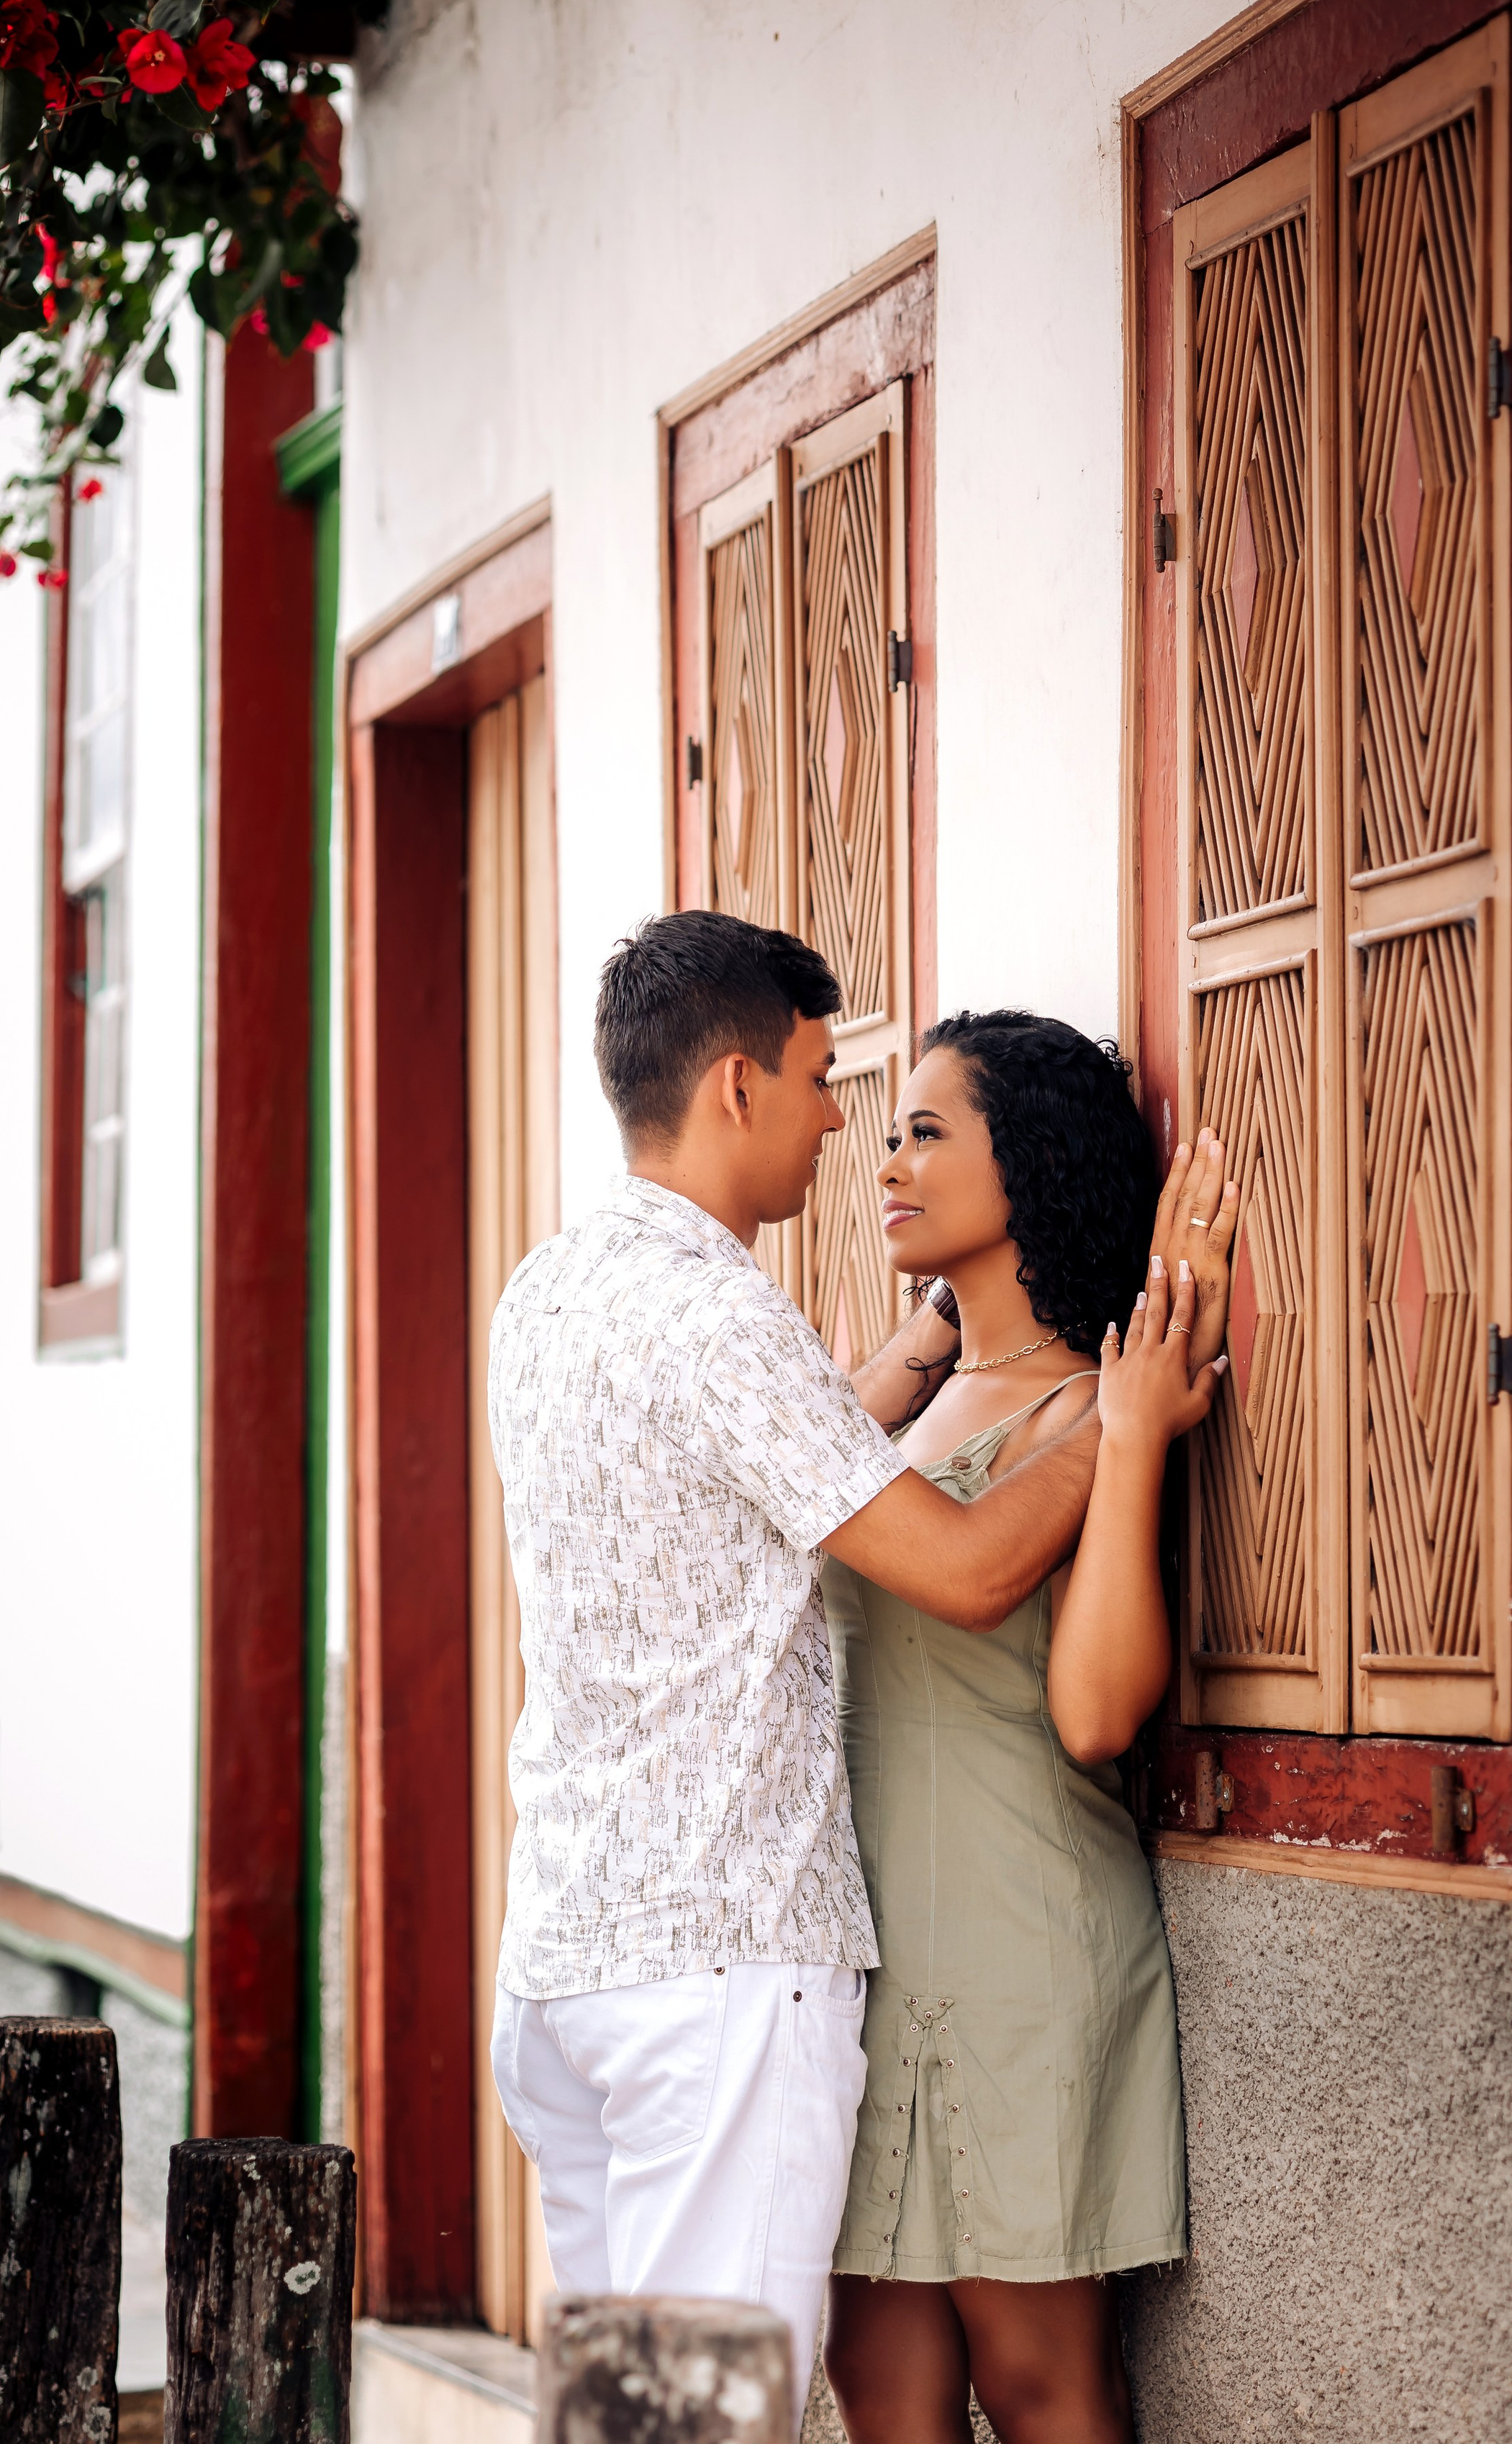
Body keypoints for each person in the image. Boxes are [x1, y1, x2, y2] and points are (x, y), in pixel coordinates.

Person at [484, 915, 1221, 2431]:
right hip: (719, 1973)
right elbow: (947, 1564)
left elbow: (802, 1457)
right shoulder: (716, 1319)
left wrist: (973, 1359)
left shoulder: (548, 1293)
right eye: (829, 1087)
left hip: (588, 1949)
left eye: (911, 1126)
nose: (850, 1136)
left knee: (647, 2408)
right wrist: (1124, 1418)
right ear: (738, 1087)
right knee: (710, 2414)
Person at [821, 1010, 1238, 2444]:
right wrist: (931, 1328)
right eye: (885, 1129)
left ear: (1033, 1159)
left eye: (927, 1131)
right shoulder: (896, 1412)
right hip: (861, 1971)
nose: (887, 1157)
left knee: (1041, 2391)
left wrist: (1127, 1447)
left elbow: (1093, 1713)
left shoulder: (1089, 1402)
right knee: (880, 2397)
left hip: (1017, 1955)